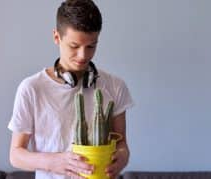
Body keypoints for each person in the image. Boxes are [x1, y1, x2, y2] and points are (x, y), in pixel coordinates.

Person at [8, 0, 134, 178]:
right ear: (56, 37)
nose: (83, 56)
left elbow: (122, 145)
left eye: (91, 46)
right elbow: (16, 155)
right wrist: (54, 162)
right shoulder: (31, 89)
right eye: (74, 46)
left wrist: (121, 157)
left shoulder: (115, 86)